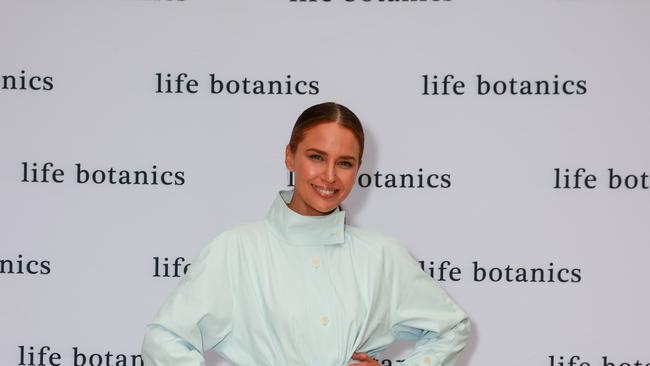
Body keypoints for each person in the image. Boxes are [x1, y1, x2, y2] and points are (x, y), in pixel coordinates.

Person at [142, 102, 470, 366]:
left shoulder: (382, 255)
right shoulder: (236, 249)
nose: (329, 176)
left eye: (344, 163)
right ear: (290, 156)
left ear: (358, 169)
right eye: (316, 157)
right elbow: (164, 340)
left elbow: (451, 328)